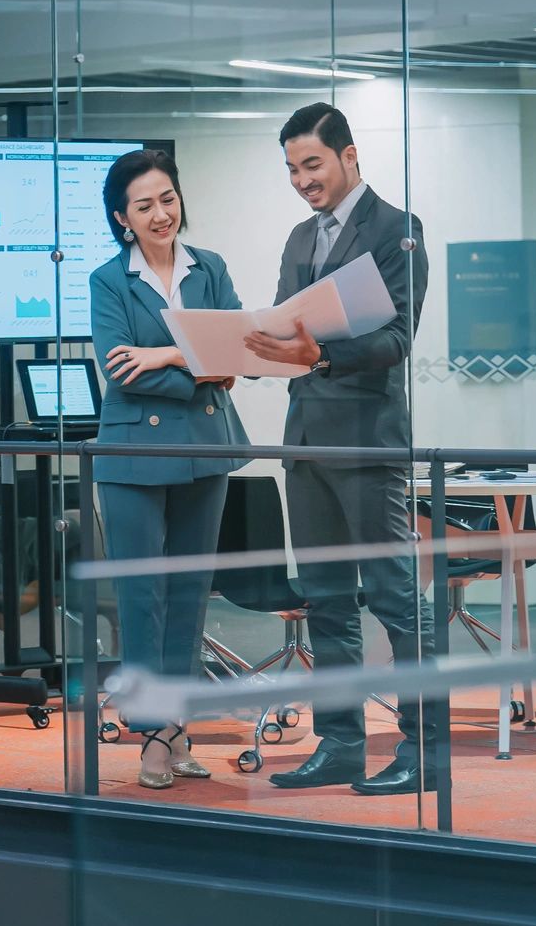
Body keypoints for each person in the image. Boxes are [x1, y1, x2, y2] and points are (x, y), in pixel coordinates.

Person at [242, 102, 436, 795]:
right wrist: (244, 349)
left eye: (312, 164)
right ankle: (341, 745)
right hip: (305, 441)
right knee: (325, 601)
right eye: (292, 169)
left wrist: (318, 353)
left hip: (365, 442)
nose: (302, 180)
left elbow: (396, 340)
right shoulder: (300, 237)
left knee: (394, 597)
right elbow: (282, 327)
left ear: (349, 156)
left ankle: (426, 749)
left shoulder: (395, 229)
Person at [88, 148, 249, 790]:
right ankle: (155, 732)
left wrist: (161, 356)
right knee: (142, 597)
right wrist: (195, 367)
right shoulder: (108, 280)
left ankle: (176, 727)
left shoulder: (210, 268)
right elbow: (118, 368)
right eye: (144, 205)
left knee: (189, 593)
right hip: (133, 453)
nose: (160, 214)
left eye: (168, 199)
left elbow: (236, 353)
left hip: (206, 446)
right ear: (122, 218)